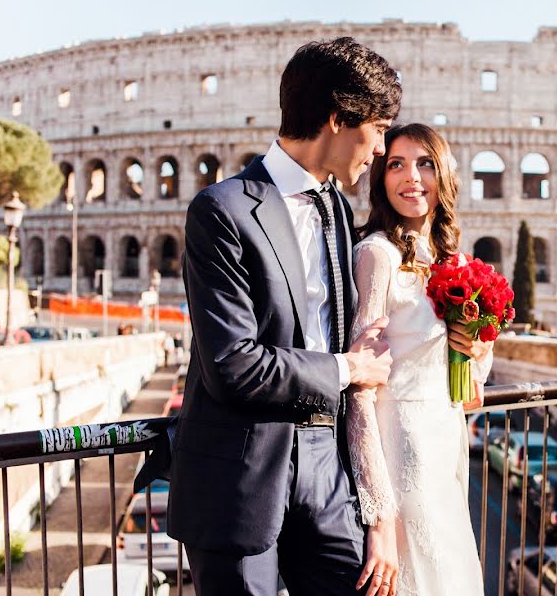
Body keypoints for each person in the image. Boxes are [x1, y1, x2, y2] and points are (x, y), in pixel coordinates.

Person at [163, 37, 402, 596]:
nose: (380, 147)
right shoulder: (221, 210)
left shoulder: (338, 209)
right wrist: (348, 369)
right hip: (242, 470)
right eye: (379, 127)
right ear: (339, 119)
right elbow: (235, 365)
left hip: (326, 466)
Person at [346, 123, 492, 595]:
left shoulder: (452, 260)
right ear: (381, 178)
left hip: (446, 438)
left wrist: (476, 348)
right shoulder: (377, 254)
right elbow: (360, 386)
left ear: (443, 174)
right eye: (397, 164)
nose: (412, 177)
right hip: (401, 441)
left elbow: (470, 387)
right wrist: (378, 511)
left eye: (425, 163)